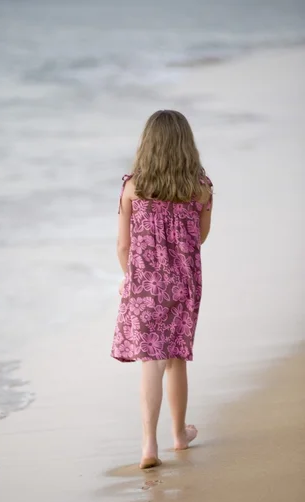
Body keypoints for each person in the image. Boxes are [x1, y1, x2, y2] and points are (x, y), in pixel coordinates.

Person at [111, 110, 213, 469]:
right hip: (183, 283)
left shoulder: (132, 187)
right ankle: (178, 435)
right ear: (187, 145)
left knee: (151, 363)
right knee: (176, 358)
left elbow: (123, 247)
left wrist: (133, 277)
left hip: (145, 284)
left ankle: (149, 445)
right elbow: (198, 238)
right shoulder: (200, 188)